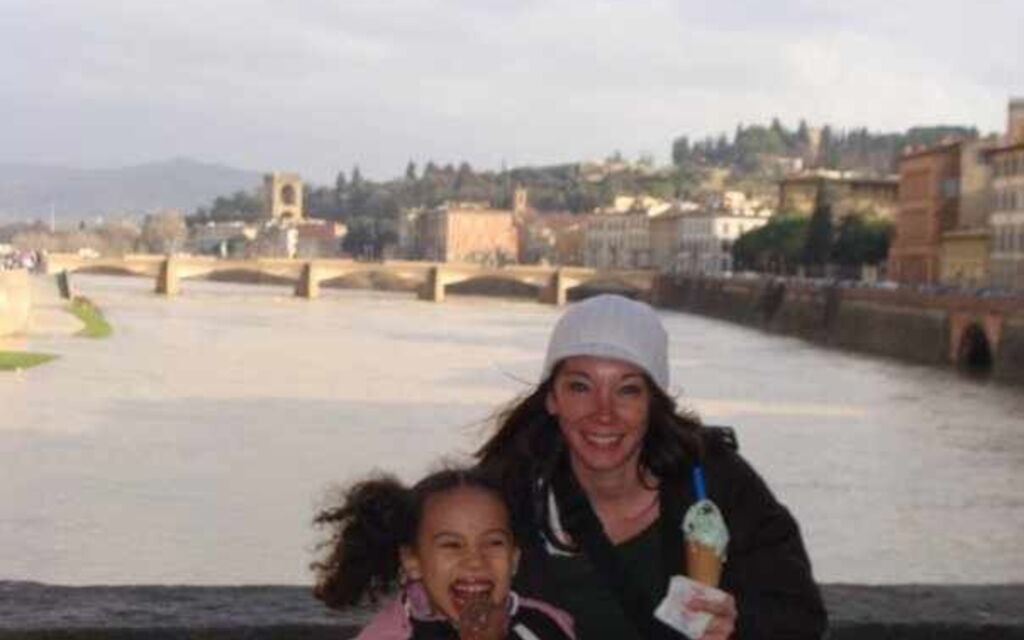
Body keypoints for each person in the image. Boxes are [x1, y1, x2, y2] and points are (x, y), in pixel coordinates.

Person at [476, 294, 827, 639]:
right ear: (552, 398)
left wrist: (739, 626)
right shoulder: (504, 495)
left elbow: (800, 616)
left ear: (654, 403)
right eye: (581, 387)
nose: (603, 413)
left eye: (628, 390)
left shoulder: (713, 481)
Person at [312, 467, 576, 640]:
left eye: (493, 543)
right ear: (412, 560)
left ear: (514, 559)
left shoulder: (544, 624)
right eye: (452, 544)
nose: (475, 560)